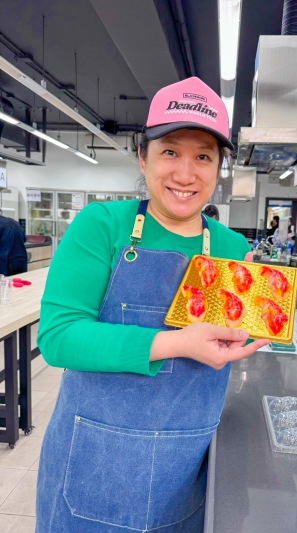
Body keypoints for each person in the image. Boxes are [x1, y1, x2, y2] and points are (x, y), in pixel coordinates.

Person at [35, 77, 269, 533]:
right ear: (143, 157)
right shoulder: (102, 225)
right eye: (170, 152)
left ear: (220, 167)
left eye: (203, 156)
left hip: (182, 471)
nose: (185, 174)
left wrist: (251, 326)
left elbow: (231, 340)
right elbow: (59, 338)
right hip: (92, 466)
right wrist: (177, 343)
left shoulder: (233, 248)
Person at [0, 209, 27, 276]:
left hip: (4, 264)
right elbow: (24, 239)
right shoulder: (15, 222)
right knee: (19, 280)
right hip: (20, 261)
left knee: (6, 282)